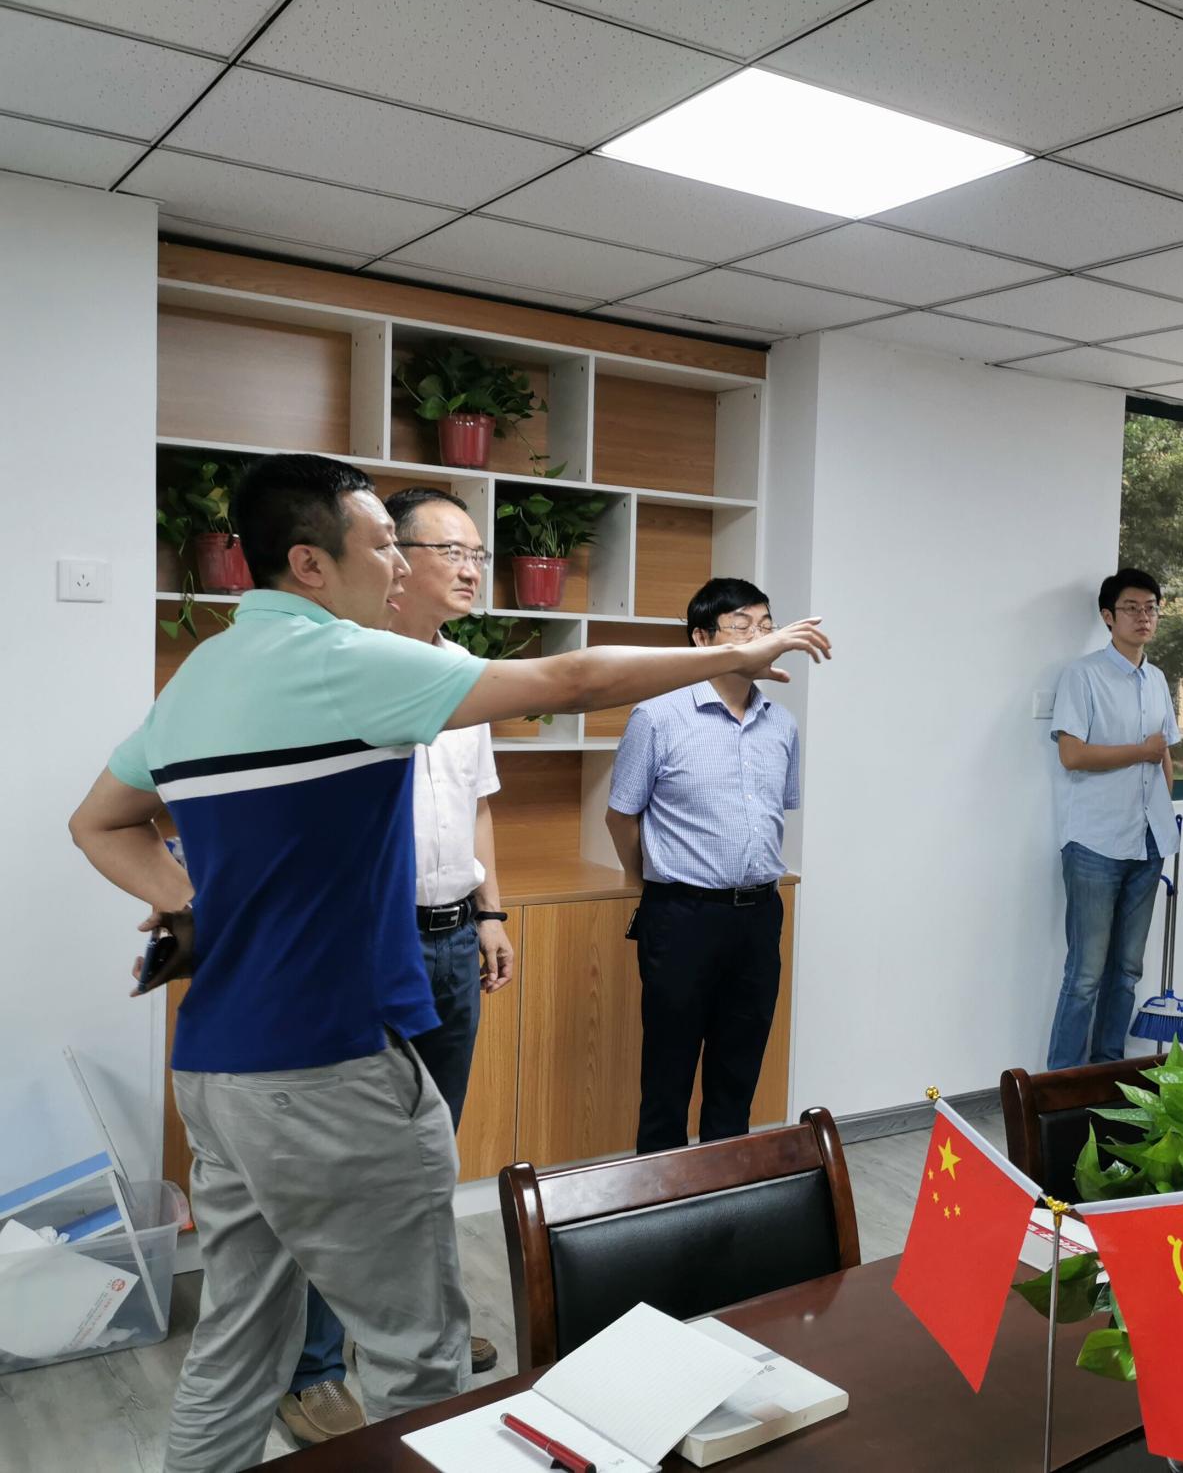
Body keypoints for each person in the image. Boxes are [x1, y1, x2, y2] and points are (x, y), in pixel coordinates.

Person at [67, 455, 829, 1473]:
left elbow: (99, 821)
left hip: (216, 1066)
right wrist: (746, 648)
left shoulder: (204, 672)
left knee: (238, 1344)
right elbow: (572, 680)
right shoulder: (341, 658)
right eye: (385, 544)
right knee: (419, 1357)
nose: (401, 564)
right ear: (309, 563)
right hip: (330, 1065)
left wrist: (197, 904)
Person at [279, 488, 515, 1442]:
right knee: (349, 1165)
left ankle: (420, 1334)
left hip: (454, 936)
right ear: (396, 558)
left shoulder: (468, 676)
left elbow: (479, 806)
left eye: (479, 553)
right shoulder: (339, 667)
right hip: (363, 944)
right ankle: (314, 1367)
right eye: (452, 549)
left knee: (428, 1156)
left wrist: (491, 913)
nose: (471, 568)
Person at [606, 577, 803, 1154]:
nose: (759, 636)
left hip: (760, 914)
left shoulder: (782, 724)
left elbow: (777, 812)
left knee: (739, 1070)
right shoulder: (657, 717)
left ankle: (726, 1187)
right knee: (667, 1073)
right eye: (741, 625)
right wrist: (650, 887)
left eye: (766, 625)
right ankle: (660, 1194)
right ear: (701, 638)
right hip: (682, 915)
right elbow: (621, 817)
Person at [1046, 568, 1179, 1070]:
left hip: (1149, 840)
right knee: (1085, 975)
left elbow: (1164, 753)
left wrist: (1163, 803)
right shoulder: (1083, 675)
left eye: (1151, 608)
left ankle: (1107, 1073)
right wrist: (1139, 752)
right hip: (1096, 842)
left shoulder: (1157, 679)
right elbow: (1073, 755)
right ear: (1108, 616)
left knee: (1127, 971)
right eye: (1131, 608)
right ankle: (1059, 1084)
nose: (1144, 617)